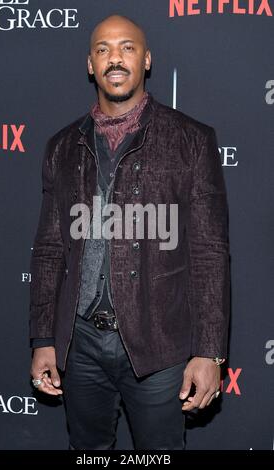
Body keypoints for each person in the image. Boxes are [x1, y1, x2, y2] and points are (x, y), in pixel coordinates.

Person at [29, 14, 230, 450]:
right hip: (79, 346)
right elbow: (48, 249)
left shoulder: (191, 140)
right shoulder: (62, 147)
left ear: (146, 59)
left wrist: (210, 352)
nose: (114, 58)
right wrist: (44, 338)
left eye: (126, 47)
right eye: (103, 49)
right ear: (90, 64)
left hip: (160, 348)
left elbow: (210, 253)